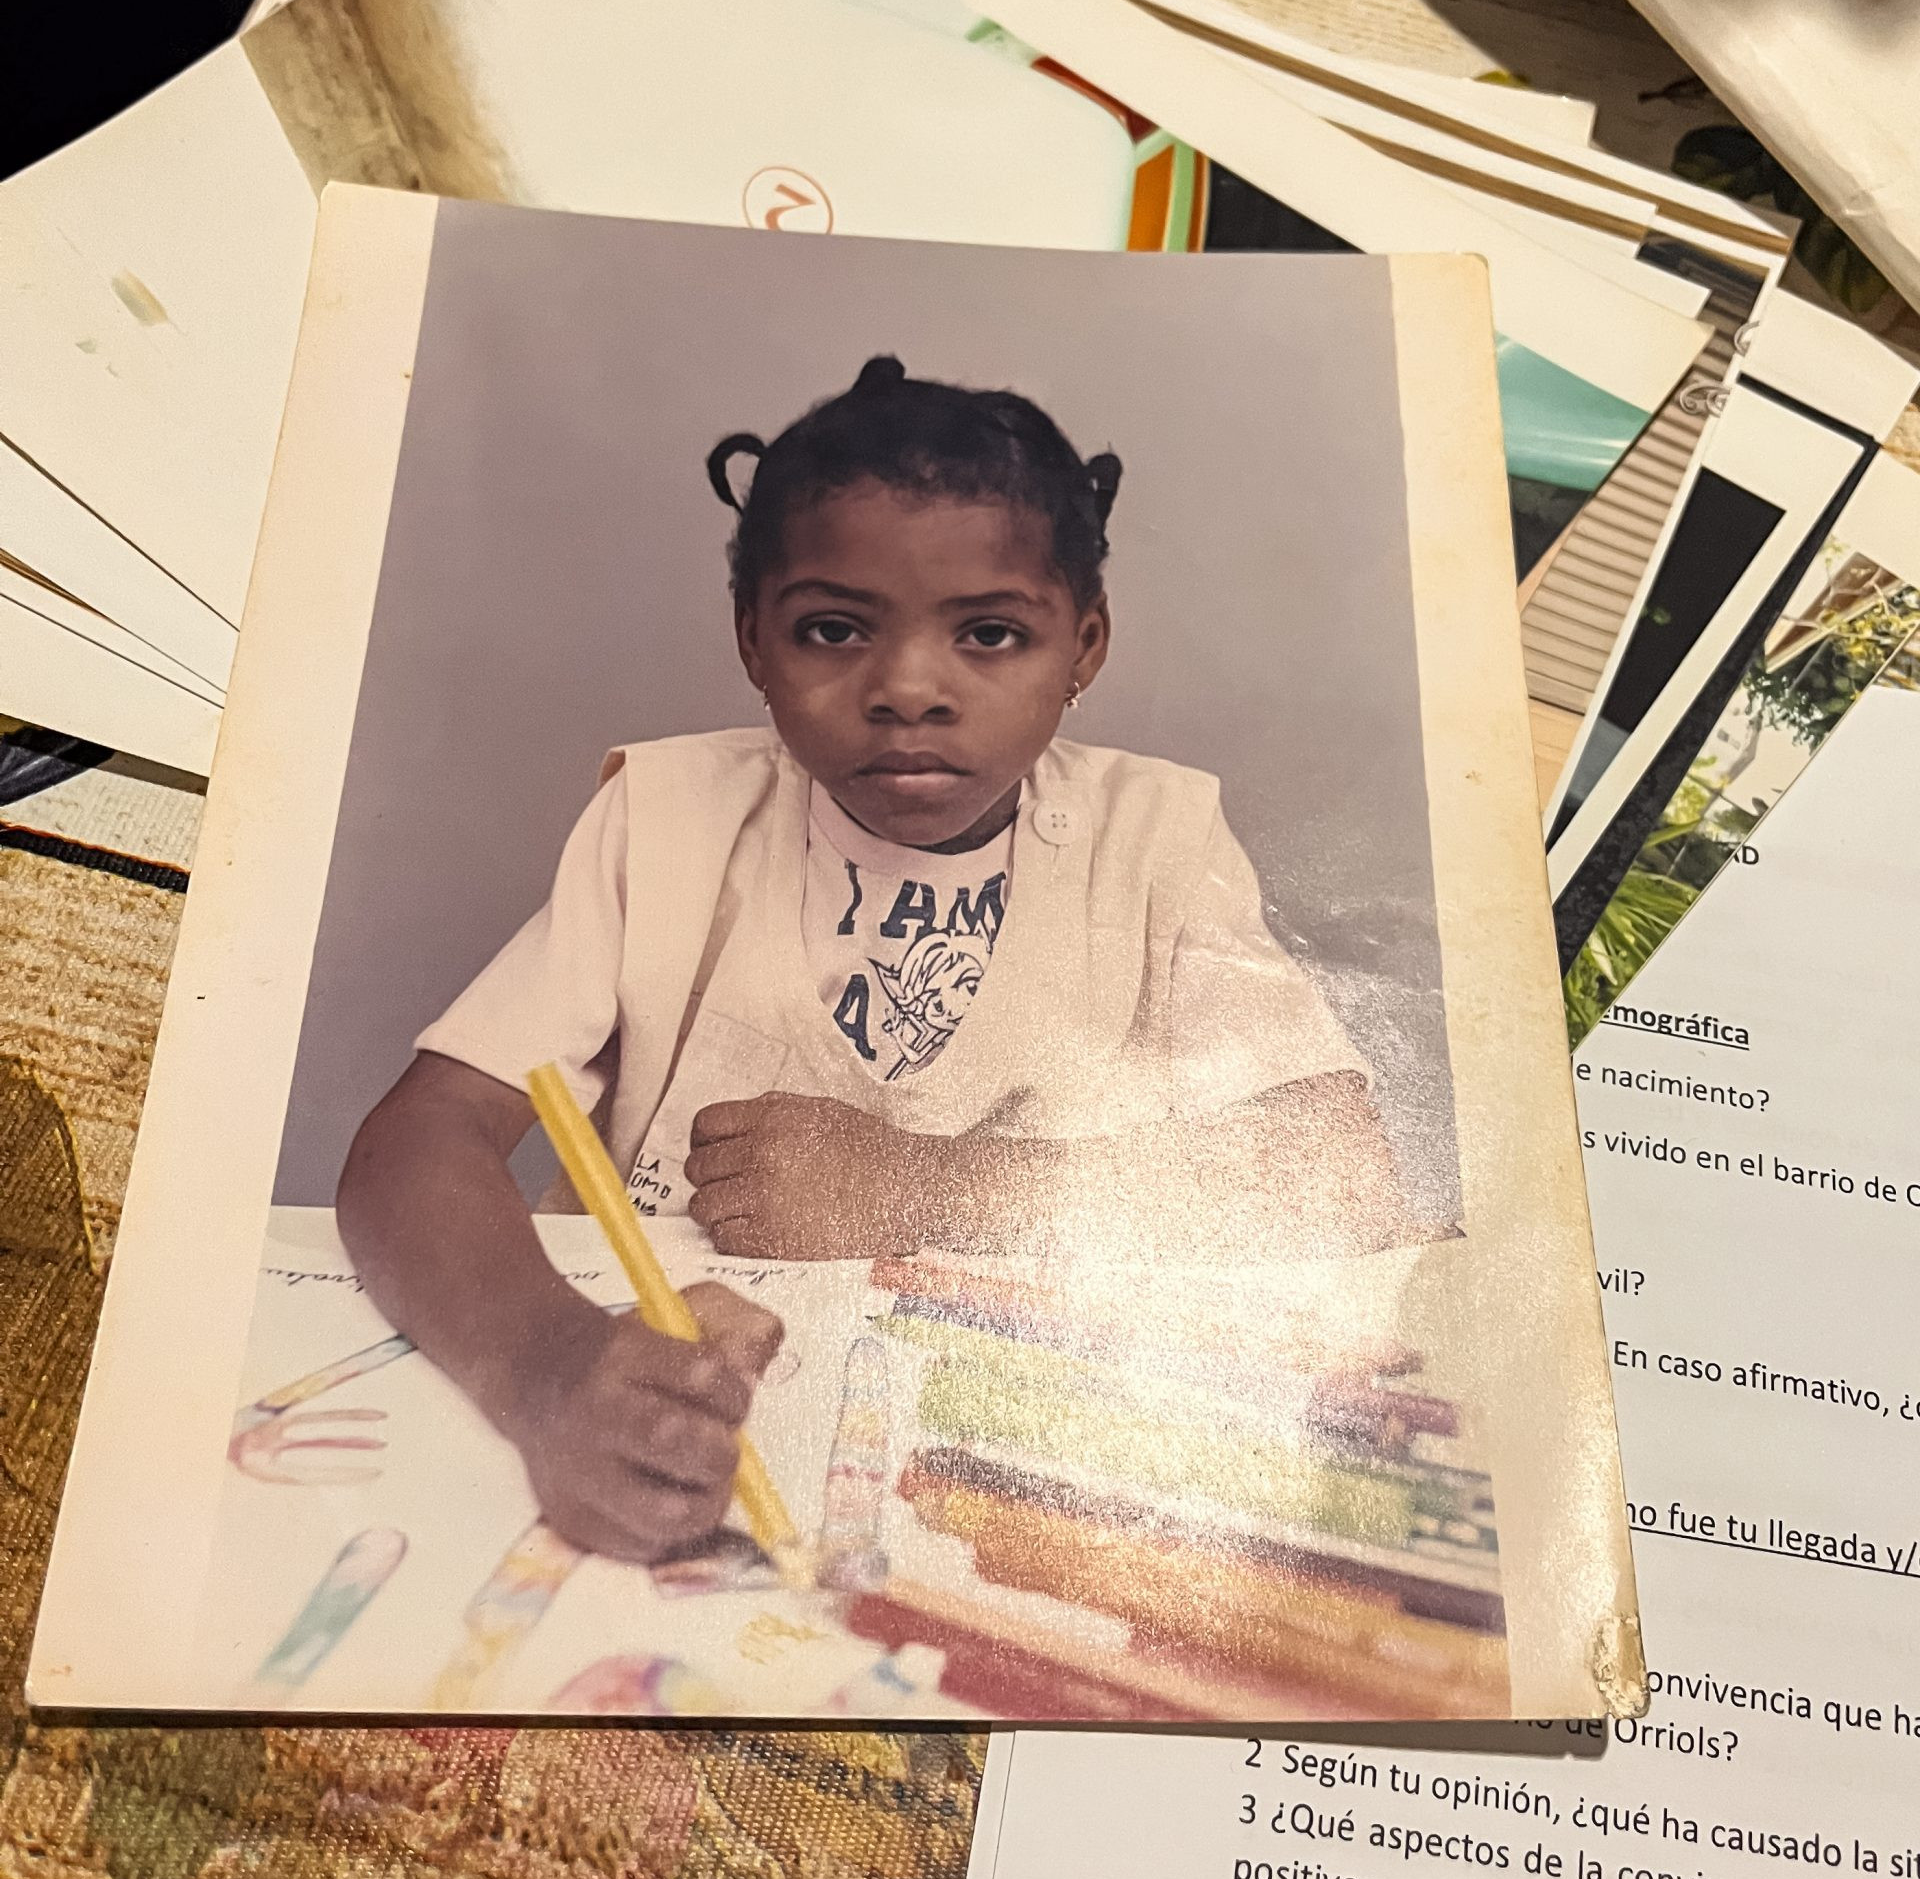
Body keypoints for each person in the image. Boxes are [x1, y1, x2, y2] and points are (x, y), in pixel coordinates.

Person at [337, 356, 1408, 1561]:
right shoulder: (673, 821)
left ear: (1083, 649)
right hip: (667, 1426)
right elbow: (410, 1146)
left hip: (995, 1456)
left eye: (991, 634)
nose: (906, 688)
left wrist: (925, 1184)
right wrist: (549, 1371)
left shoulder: (1152, 841)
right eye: (834, 629)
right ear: (754, 639)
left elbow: (1343, 1168)